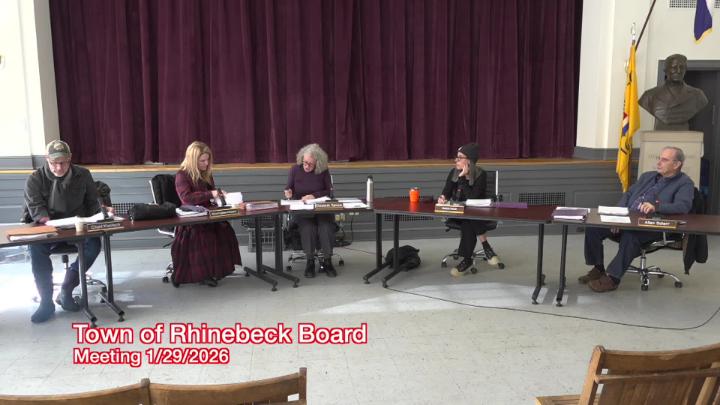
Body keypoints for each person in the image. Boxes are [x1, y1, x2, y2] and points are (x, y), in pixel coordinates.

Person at [579, 146, 694, 292]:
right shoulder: (647, 176)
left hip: (654, 225)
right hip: (628, 219)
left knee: (630, 236)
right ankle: (598, 268)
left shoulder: (685, 183)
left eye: (664, 160)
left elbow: (683, 206)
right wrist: (617, 216)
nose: (659, 163)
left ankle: (613, 278)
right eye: (659, 158)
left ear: (677, 164)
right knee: (594, 227)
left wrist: (657, 207)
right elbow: (628, 195)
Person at [23, 140, 103, 323]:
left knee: (94, 244)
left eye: (63, 162)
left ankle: (67, 288)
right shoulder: (34, 179)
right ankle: (46, 302)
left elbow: (93, 203)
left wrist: (103, 211)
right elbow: (37, 210)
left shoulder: (83, 174)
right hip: (48, 228)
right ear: (46, 159)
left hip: (78, 228)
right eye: (54, 163)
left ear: (70, 158)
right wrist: (50, 222)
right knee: (36, 249)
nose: (59, 167)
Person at [171, 141, 242, 286]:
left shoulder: (205, 174)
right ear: (193, 160)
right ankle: (203, 273)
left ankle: (216, 270)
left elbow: (211, 195)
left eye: (207, 160)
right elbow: (187, 198)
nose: (206, 163)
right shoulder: (182, 175)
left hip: (207, 213)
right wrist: (211, 193)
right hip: (191, 217)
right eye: (202, 160)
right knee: (204, 235)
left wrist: (222, 197)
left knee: (225, 229)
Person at [438, 143, 501, 277]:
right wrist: (443, 197)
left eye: (460, 157)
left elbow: (472, 198)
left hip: (474, 214)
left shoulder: (481, 174)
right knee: (468, 216)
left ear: (469, 160)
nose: (456, 160)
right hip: (457, 212)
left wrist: (462, 178)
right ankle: (486, 246)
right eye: (456, 157)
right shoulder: (453, 172)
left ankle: (467, 260)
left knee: (468, 219)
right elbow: (446, 191)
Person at [284, 143, 337, 278]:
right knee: (308, 228)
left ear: (318, 163)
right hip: (303, 209)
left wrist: (314, 196)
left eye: (310, 164)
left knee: (325, 227)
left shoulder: (323, 171)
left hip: (321, 209)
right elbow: (288, 188)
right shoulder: (295, 170)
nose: (306, 166)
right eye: (304, 162)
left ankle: (328, 261)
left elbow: (329, 191)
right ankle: (310, 261)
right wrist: (288, 193)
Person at [638, 54, 708, 131]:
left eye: (681, 67)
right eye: (674, 67)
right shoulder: (649, 96)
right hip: (661, 134)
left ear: (685, 70)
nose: (678, 71)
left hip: (684, 135)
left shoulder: (698, 95)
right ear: (666, 70)